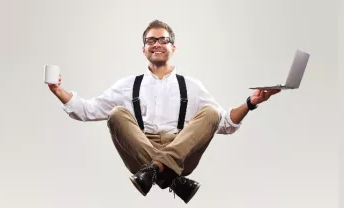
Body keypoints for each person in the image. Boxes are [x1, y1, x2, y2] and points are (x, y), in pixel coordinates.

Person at [47, 20, 280, 203]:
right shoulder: (128, 85)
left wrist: (251, 102)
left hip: (182, 152)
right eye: (151, 40)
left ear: (173, 47)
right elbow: (88, 110)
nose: (156, 44)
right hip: (139, 151)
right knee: (117, 114)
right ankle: (172, 178)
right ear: (144, 48)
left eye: (163, 39)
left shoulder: (191, 86)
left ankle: (158, 170)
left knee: (211, 112)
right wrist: (58, 90)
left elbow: (225, 123)